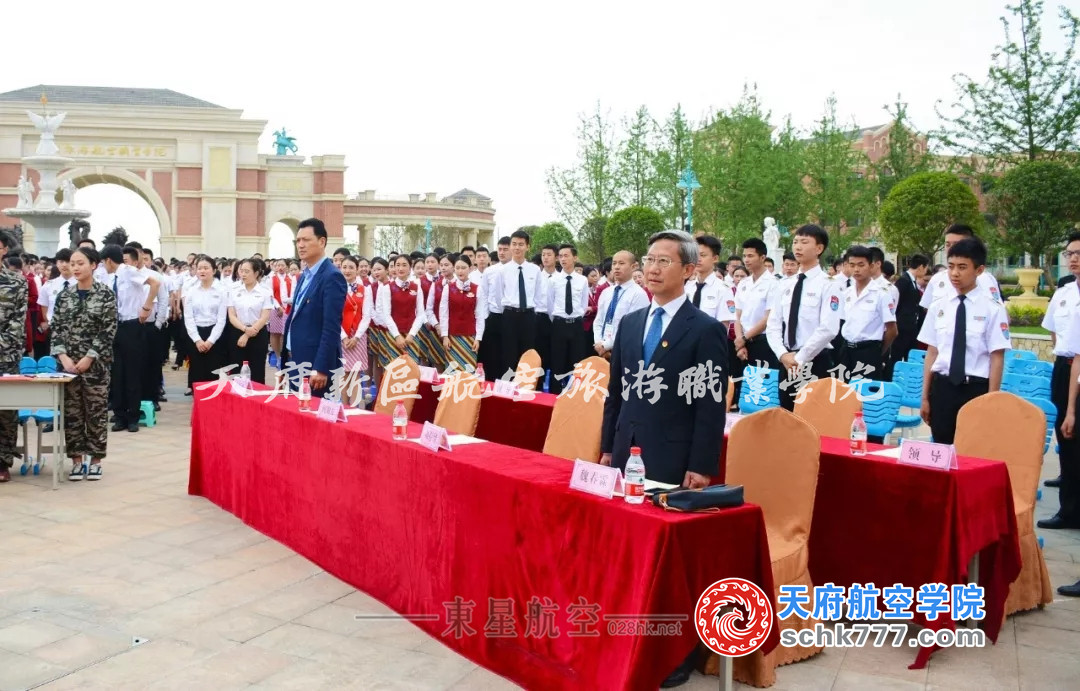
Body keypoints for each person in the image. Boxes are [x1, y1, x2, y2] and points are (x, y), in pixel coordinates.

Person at [600, 230, 728, 687]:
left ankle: (676, 652)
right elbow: (615, 395)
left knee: (669, 559)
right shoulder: (631, 322)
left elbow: (711, 405)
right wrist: (606, 447)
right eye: (649, 260)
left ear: (690, 270)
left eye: (664, 261)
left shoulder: (706, 330)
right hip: (625, 454)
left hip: (674, 459)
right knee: (629, 548)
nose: (652, 268)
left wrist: (700, 464)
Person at [917, 238, 1010, 445]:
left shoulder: (993, 309)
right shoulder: (938, 307)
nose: (955, 273)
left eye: (962, 267)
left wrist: (991, 400)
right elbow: (932, 352)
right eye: (950, 267)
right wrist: (925, 397)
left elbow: (997, 357)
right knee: (941, 450)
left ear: (979, 270)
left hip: (975, 389)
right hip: (943, 388)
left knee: (972, 450)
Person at [50, 247, 118, 481]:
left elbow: (108, 330)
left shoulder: (105, 294)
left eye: (80, 263)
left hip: (96, 365)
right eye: (72, 263)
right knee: (72, 414)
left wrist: (89, 357)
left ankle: (96, 459)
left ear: (94, 265)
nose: (75, 267)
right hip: (68, 367)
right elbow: (56, 328)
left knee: (96, 412)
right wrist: (63, 357)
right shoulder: (64, 295)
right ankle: (77, 460)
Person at [765, 225, 843, 411]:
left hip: (814, 361)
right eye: (795, 242)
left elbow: (829, 328)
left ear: (819, 248)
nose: (797, 246)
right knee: (787, 417)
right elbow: (773, 324)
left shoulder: (828, 285)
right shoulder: (785, 285)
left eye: (804, 242)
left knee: (813, 419)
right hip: (787, 361)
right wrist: (782, 354)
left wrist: (800, 358)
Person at [1038, 231, 1080, 529]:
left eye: (1078, 253)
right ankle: (1069, 510)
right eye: (1070, 254)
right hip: (1066, 368)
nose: (1074, 258)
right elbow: (1053, 332)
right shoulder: (1064, 293)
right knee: (1067, 437)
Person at [283, 218, 348, 396]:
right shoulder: (305, 275)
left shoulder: (332, 277)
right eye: (298, 241)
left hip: (316, 366)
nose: (301, 245)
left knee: (317, 417)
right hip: (296, 357)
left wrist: (321, 367)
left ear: (322, 241)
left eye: (306, 240)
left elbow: (331, 327)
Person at [101, 244, 158, 432]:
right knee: (117, 372)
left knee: (132, 372)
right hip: (115, 327)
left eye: (104, 262)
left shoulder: (129, 271)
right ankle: (119, 416)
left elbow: (155, 284)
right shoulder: (111, 277)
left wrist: (146, 307)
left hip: (132, 326)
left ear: (109, 260)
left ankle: (133, 416)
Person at [491, 229, 546, 379]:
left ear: (527, 247)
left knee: (527, 354)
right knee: (508, 354)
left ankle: (525, 388)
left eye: (521, 244)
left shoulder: (534, 270)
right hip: (509, 315)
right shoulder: (503, 271)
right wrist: (508, 310)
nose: (517, 248)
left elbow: (539, 294)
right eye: (514, 244)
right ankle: (507, 388)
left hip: (528, 316)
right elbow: (497, 296)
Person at [839, 246, 897, 382]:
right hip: (846, 350)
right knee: (842, 394)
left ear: (871, 266)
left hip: (868, 351)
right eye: (852, 265)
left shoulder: (882, 293)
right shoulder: (846, 293)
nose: (856, 270)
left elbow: (892, 330)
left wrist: (878, 352)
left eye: (861, 265)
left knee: (865, 396)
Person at [0, 231, 28, 483]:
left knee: (6, 413)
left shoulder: (17, 283)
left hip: (5, 359)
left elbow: (17, 325)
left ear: (3, 250)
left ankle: (3, 462)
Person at [920, 224, 1002, 309]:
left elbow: (997, 310)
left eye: (956, 244)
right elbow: (928, 311)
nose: (951, 249)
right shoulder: (936, 279)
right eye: (947, 245)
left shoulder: (985, 278)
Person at [547, 244, 590, 393]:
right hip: (559, 324)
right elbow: (550, 305)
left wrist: (575, 317)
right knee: (557, 362)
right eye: (561, 256)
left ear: (575, 257)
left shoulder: (582, 280)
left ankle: (576, 394)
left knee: (577, 363)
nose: (563, 259)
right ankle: (554, 394)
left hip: (576, 325)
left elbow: (584, 304)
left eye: (566, 255)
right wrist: (559, 320)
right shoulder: (553, 280)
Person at [592, 251, 650, 360]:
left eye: (621, 263)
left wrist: (606, 345)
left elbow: (633, 329)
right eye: (614, 263)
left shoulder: (638, 294)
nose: (616, 267)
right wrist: (599, 343)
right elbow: (599, 320)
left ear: (633, 267)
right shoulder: (606, 292)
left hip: (624, 351)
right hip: (602, 350)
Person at [734, 238, 779, 371]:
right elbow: (737, 315)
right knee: (744, 387)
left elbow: (768, 317)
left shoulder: (773, 284)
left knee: (762, 386)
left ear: (762, 257)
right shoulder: (744, 283)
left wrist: (744, 338)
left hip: (763, 342)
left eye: (750, 256)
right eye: (744, 256)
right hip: (743, 344)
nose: (746, 260)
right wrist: (740, 342)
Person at [184, 255, 229, 391]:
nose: (202, 271)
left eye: (206, 268)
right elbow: (188, 317)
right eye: (199, 268)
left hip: (215, 335)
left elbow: (221, 319)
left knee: (213, 373)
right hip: (195, 334)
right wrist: (197, 340)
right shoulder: (191, 291)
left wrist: (210, 341)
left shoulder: (221, 291)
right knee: (196, 373)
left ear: (214, 270)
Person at [226, 258, 273, 386]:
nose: (243, 274)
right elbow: (232, 315)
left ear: (256, 273)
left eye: (247, 271)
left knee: (257, 371)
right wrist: (245, 330)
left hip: (258, 333)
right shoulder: (234, 291)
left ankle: (257, 400)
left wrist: (248, 334)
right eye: (241, 271)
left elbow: (264, 317)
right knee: (237, 369)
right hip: (237, 333)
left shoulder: (265, 291)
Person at [439, 254, 486, 373]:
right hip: (452, 337)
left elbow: (480, 315)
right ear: (454, 269)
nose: (460, 271)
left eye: (463, 268)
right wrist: (445, 336)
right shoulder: (448, 288)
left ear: (470, 268)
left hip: (470, 337)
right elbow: (443, 314)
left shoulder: (477, 289)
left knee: (469, 372)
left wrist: (478, 338)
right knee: (451, 372)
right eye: (457, 268)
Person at [376, 254, 426, 364]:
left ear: (410, 268)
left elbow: (421, 314)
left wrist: (412, 334)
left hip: (411, 336)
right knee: (394, 369)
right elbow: (386, 315)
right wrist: (397, 336)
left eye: (404, 265)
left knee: (412, 369)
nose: (400, 268)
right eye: (397, 265)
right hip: (394, 335)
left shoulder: (416, 287)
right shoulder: (387, 288)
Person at [339, 256, 373, 406]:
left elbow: (367, 315)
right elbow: (332, 314)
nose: (347, 270)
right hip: (341, 336)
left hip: (358, 336)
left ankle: (355, 407)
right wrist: (344, 337)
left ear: (357, 269)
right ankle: (344, 406)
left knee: (355, 373)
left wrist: (357, 337)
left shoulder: (365, 289)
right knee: (343, 373)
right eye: (344, 267)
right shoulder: (336, 288)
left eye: (351, 267)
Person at [685, 235, 736, 330]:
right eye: (696, 255)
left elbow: (723, 326)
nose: (698, 259)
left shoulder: (723, 289)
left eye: (703, 255)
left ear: (715, 258)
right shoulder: (688, 287)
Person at [478, 236, 510, 381]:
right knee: (491, 355)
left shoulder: (517, 270)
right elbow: (483, 295)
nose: (502, 253)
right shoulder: (490, 271)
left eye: (505, 249)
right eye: (500, 249)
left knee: (508, 354)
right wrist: (485, 316)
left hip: (511, 316)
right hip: (493, 317)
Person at [891, 254, 930, 373]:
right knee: (897, 357)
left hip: (910, 327)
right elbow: (895, 303)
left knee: (909, 356)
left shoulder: (912, 282)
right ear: (920, 267)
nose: (925, 271)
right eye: (925, 268)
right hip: (902, 327)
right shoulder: (904, 281)